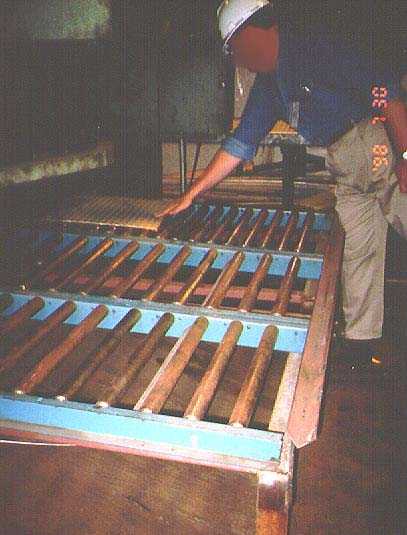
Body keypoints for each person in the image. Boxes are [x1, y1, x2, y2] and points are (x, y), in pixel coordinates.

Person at [158, 0, 407, 368]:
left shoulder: (315, 44)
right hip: (342, 159)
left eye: (238, 48)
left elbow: (386, 93)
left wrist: (404, 157)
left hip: (375, 144)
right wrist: (191, 194)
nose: (240, 60)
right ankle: (360, 343)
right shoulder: (271, 85)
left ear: (260, 29)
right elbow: (240, 143)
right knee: (360, 247)